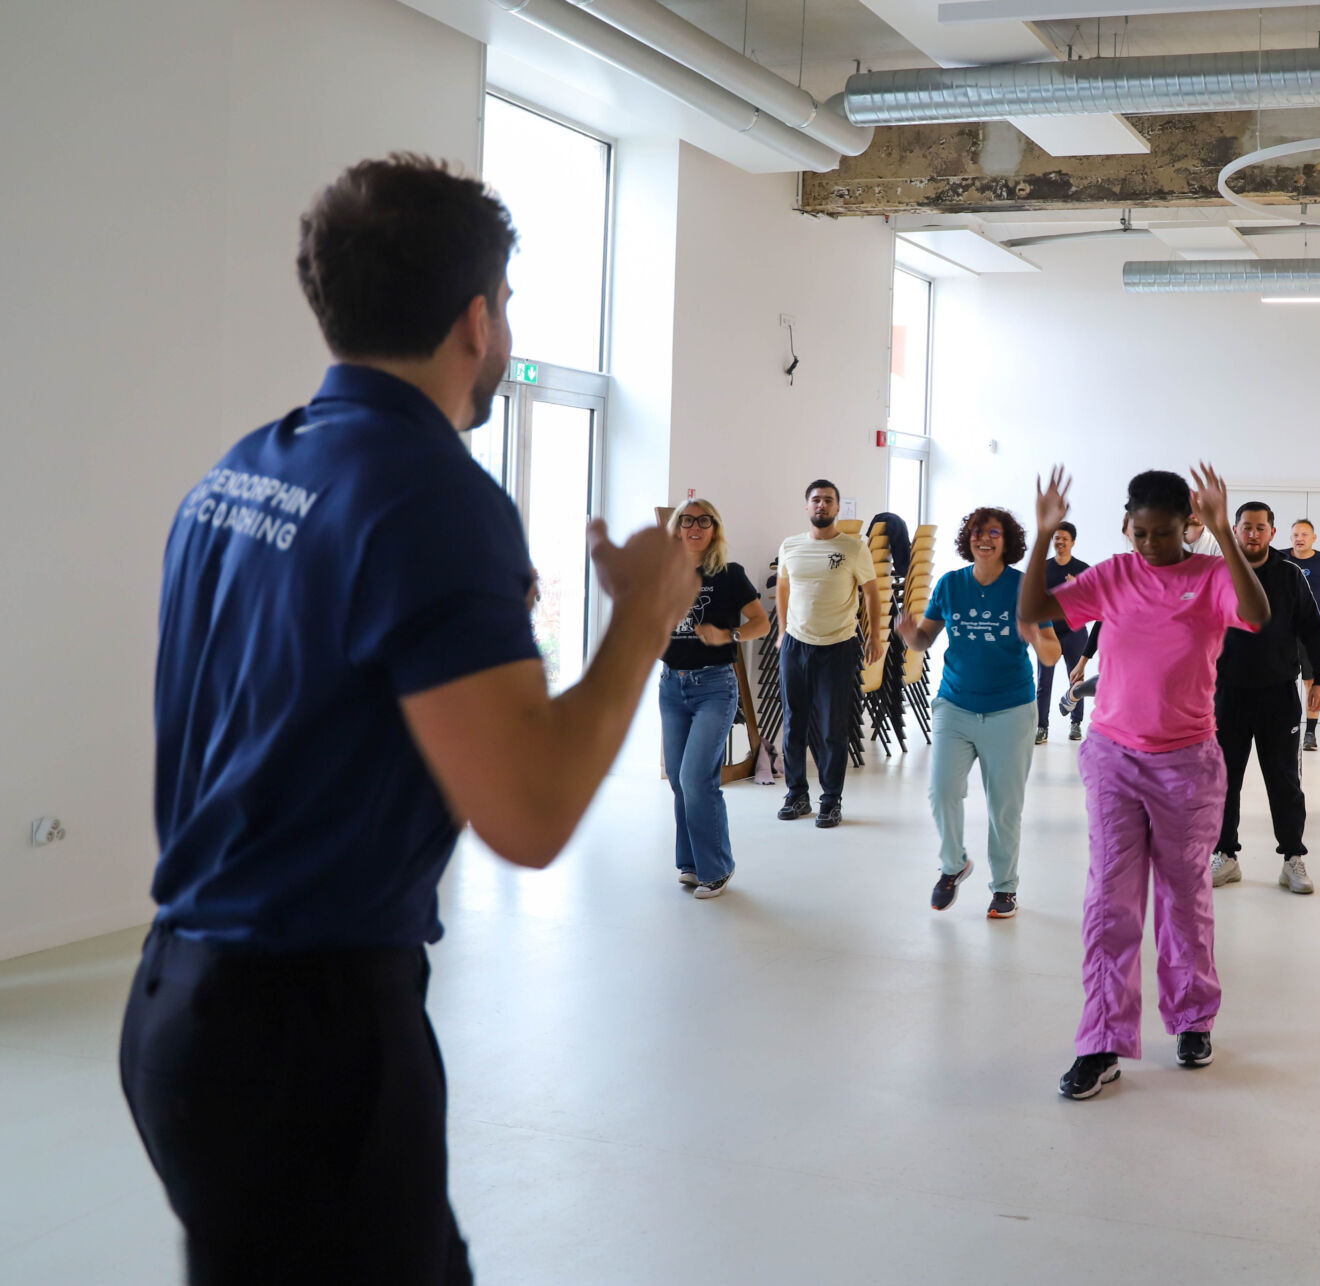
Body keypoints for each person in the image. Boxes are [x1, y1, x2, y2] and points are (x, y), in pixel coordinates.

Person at [123, 156, 700, 1282]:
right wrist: (642, 615)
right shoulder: (429, 495)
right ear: (477, 318)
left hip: (178, 1003)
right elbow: (527, 815)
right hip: (307, 1031)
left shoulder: (241, 472)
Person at [1020, 465, 1271, 1101]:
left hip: (1187, 761)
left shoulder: (1213, 575)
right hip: (1112, 758)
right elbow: (1035, 609)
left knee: (1184, 896)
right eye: (1141, 533)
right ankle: (1101, 1041)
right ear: (1127, 526)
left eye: (1164, 533)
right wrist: (1042, 538)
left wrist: (1223, 531)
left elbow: (1257, 614)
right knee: (1110, 900)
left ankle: (1191, 1018)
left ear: (1188, 524)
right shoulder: (1112, 573)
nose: (1152, 545)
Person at [899, 507, 1062, 919]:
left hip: (1010, 709)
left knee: (1004, 807)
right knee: (941, 792)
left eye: (993, 532)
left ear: (1007, 541)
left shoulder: (1025, 587)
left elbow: (1052, 650)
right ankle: (953, 865)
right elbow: (924, 640)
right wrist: (910, 635)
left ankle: (1004, 888)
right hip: (954, 704)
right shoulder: (951, 584)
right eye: (975, 532)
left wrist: (1032, 637)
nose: (983, 538)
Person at [1209, 502, 1320, 894]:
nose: (1253, 534)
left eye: (1261, 528)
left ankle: (1292, 858)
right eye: (1246, 527)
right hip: (1226, 694)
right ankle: (1225, 855)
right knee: (1223, 780)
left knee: (1284, 780)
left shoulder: (1289, 576)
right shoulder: (1219, 575)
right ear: (1235, 530)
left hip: (1278, 694)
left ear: (1272, 533)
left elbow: (1315, 632)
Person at [661, 498, 770, 898]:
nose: (694, 527)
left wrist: (728, 635)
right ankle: (691, 863)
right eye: (686, 520)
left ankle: (717, 868)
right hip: (672, 686)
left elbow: (760, 622)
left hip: (714, 686)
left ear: (714, 529)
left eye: (703, 521)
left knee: (696, 777)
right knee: (678, 778)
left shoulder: (728, 575)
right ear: (675, 529)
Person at [775, 480, 884, 828]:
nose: (821, 505)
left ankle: (831, 800)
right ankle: (796, 795)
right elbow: (782, 588)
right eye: (816, 500)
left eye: (828, 501)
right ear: (806, 507)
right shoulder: (790, 546)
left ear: (838, 508)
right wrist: (781, 632)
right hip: (795, 644)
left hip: (838, 645)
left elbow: (872, 593)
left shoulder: (854, 548)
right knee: (793, 723)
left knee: (831, 727)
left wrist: (874, 637)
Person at [1279, 519, 1320, 751]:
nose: (1299, 538)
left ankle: (1310, 733)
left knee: (1312, 682)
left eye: (1304, 534)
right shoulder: (1280, 557)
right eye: (1295, 534)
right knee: (1283, 681)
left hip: (1314, 631)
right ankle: (1285, 729)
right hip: (1284, 631)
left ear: (1314, 537)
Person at [1035, 520, 1092, 744]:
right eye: (1057, 538)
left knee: (1077, 680)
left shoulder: (1083, 569)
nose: (1060, 542)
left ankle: (1076, 724)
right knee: (1044, 681)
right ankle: (1042, 727)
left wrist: (1078, 585)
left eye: (1064, 539)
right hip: (1048, 632)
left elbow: (1094, 602)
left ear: (1072, 543)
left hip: (1075, 632)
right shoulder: (1043, 568)